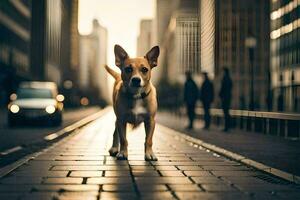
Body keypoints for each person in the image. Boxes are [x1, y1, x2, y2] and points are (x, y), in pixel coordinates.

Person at [219, 67, 232, 132]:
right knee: (226, 112)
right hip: (227, 97)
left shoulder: (225, 79)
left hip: (225, 98)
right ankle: (227, 126)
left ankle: (227, 127)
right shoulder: (228, 79)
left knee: (226, 112)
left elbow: (223, 88)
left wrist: (221, 94)